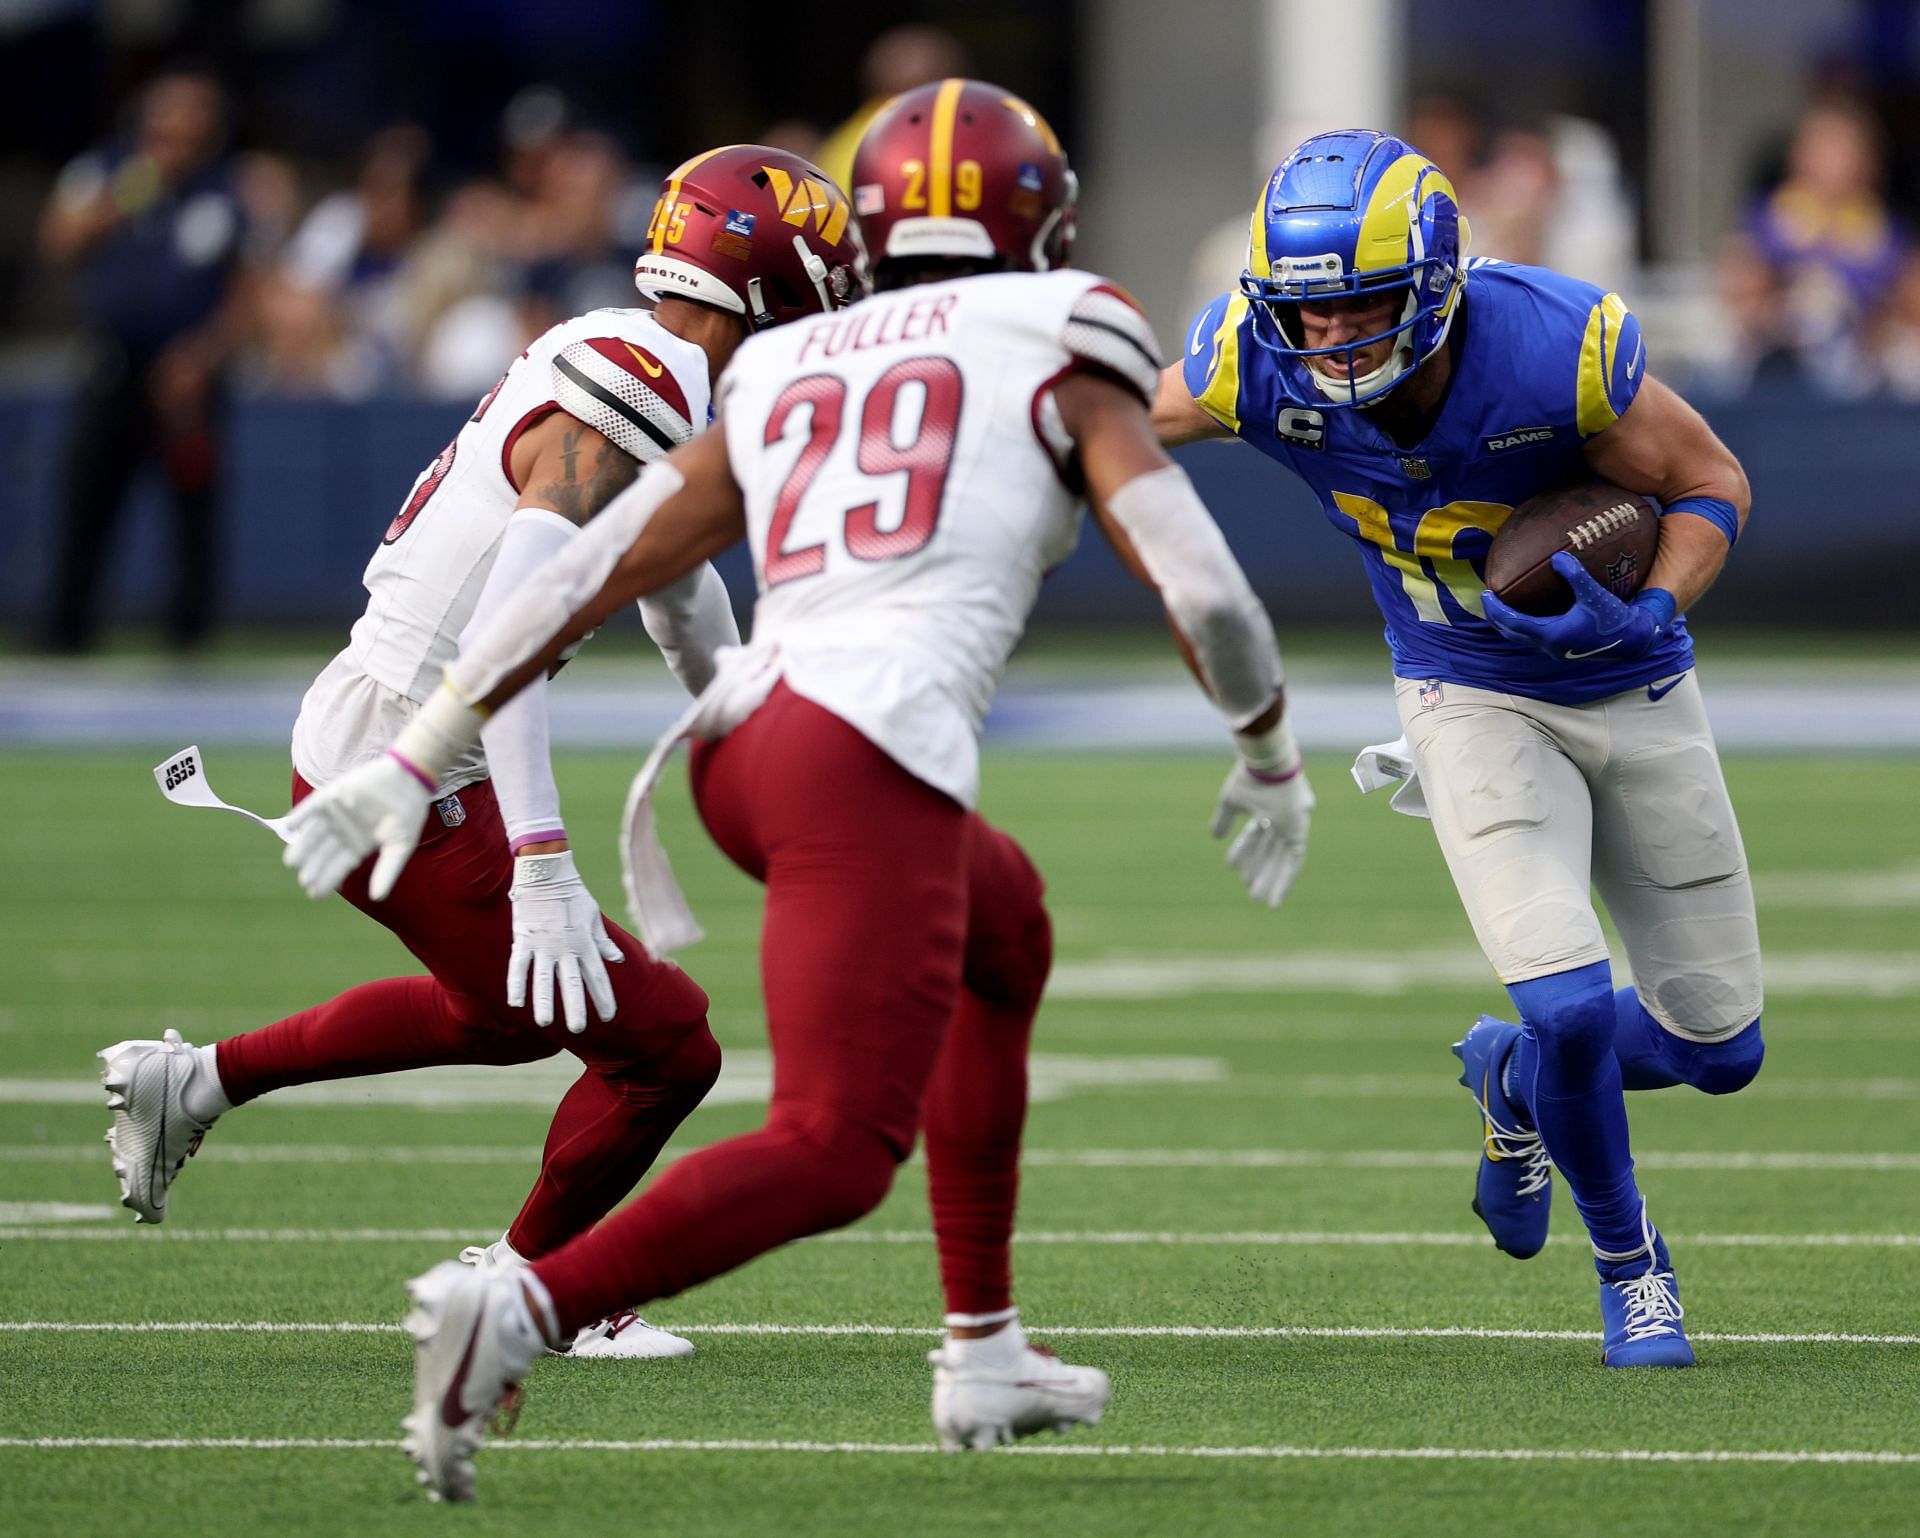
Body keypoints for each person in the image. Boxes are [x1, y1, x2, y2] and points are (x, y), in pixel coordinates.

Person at [283, 79, 1312, 1501]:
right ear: (1044, 219)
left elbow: (590, 576)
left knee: (1005, 932)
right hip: (856, 745)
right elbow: (1201, 581)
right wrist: (1265, 742)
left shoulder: (776, 371)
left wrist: (419, 746)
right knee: (831, 1149)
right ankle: (517, 1307)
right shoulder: (1064, 331)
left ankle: (986, 1347)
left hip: (737, 745)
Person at [96, 145, 867, 1361]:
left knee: (505, 1014)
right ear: (769, 286)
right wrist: (546, 862)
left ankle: (191, 1083)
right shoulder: (647, 381)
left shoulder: (639, 350)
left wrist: (739, 719)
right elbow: (512, 626)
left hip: (383, 730)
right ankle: (533, 1289)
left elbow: (672, 576)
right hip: (406, 756)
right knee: (666, 1046)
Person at [1154, 130, 1764, 1368]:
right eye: (1306, 319)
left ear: (1434, 283)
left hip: (1633, 682)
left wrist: (1656, 604)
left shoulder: (1556, 345)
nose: (1329, 345)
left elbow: (1713, 483)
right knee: (1572, 1004)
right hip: (1466, 687)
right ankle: (1632, 1265)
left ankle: (1514, 1084)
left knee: (1722, 1049)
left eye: (1359, 310)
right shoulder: (1247, 360)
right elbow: (1102, 421)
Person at [37, 66, 248, 653]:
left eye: (198, 112)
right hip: (114, 366)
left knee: (194, 510)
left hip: (188, 377)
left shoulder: (224, 189)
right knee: (89, 500)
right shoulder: (105, 171)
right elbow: (62, 239)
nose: (187, 126)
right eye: (175, 111)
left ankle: (190, 639)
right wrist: (140, 184)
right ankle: (66, 634)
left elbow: (244, 289)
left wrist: (202, 355)